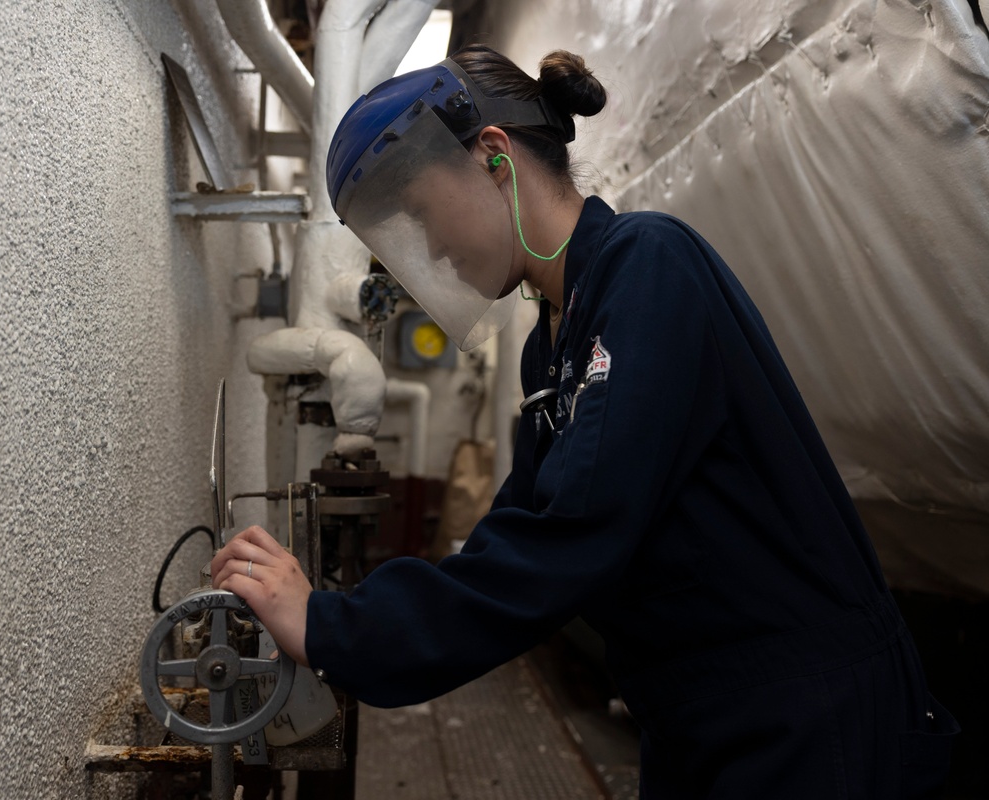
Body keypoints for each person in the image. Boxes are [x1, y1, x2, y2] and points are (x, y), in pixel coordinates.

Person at [211, 43, 958, 798]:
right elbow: (520, 529)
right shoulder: (555, 344)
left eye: (425, 218)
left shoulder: (649, 267)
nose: (431, 251)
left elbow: (571, 535)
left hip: (809, 726)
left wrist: (334, 629)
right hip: (700, 722)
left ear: (494, 157)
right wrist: (349, 621)